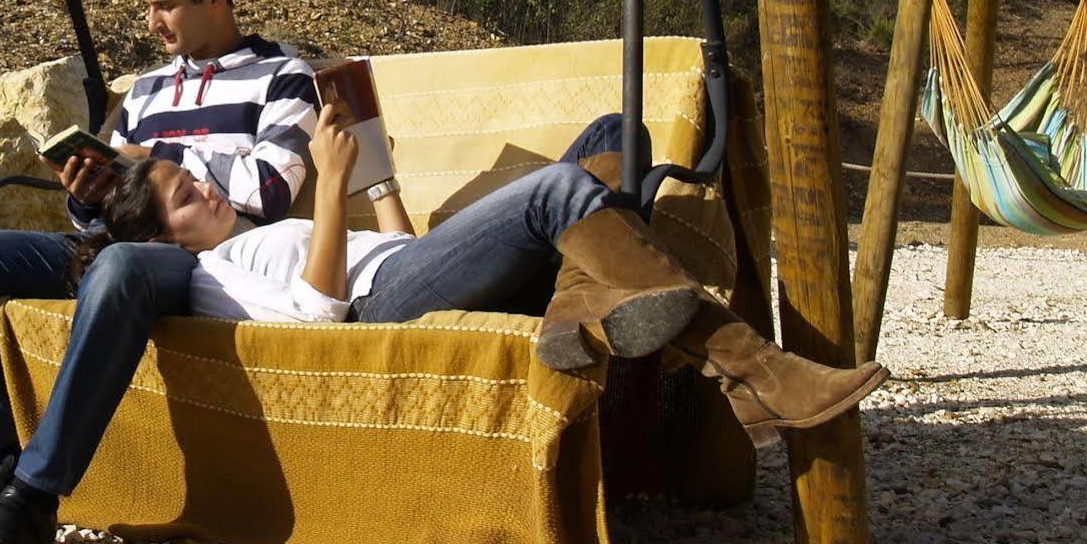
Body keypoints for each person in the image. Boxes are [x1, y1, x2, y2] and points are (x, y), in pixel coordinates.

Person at [0, 0, 318, 544]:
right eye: (149, 7)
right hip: (109, 240)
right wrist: (87, 191)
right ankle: (2, 453)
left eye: (165, 5)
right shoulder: (145, 90)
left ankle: (34, 498)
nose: (153, 23)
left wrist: (156, 157)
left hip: (195, 253)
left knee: (116, 265)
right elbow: (109, 197)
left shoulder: (283, 76)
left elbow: (271, 190)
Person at [90, 102, 889, 442]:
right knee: (556, 192)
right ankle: (751, 364)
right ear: (170, 239)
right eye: (181, 200)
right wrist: (327, 184)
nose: (200, 189)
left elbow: (390, 248)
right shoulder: (210, 273)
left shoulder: (255, 230)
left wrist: (377, 184)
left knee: (615, 132)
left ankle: (577, 304)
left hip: (409, 266)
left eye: (188, 177)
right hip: (381, 309)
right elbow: (314, 318)